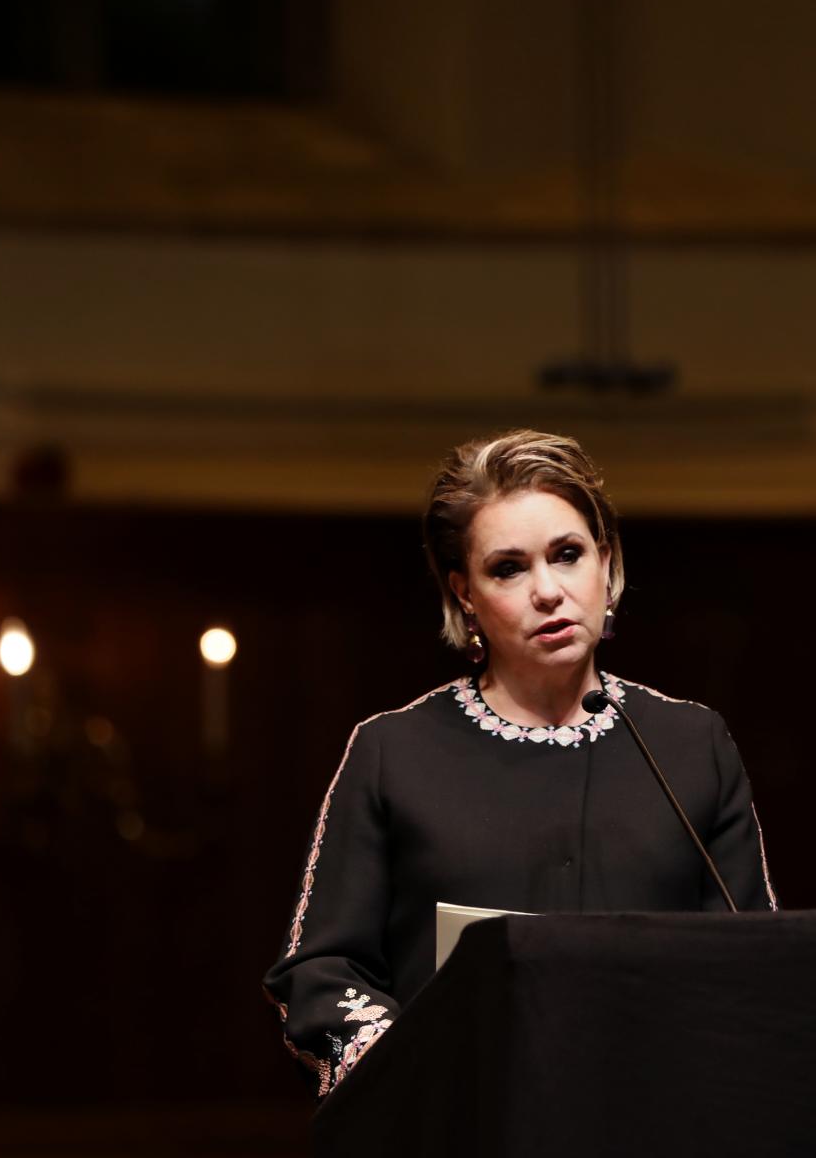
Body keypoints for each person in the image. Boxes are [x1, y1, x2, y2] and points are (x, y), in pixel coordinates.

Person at [262, 429, 777, 1096]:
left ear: (606, 562)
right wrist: (411, 1060)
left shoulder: (691, 742)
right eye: (508, 567)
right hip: (460, 1139)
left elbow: (761, 963)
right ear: (465, 594)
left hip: (661, 1143)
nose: (547, 591)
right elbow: (319, 973)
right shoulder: (392, 751)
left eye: (568, 555)